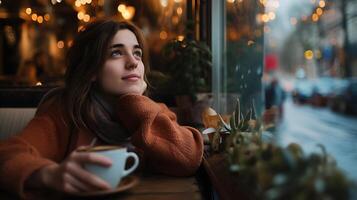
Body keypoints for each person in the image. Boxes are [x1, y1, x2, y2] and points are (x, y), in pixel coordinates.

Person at [0, 19, 203, 198]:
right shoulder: (65, 111)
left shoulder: (152, 111)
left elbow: (188, 159)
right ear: (92, 70)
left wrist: (134, 102)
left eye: (137, 53)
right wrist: (49, 174)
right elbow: (8, 153)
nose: (133, 62)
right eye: (116, 53)